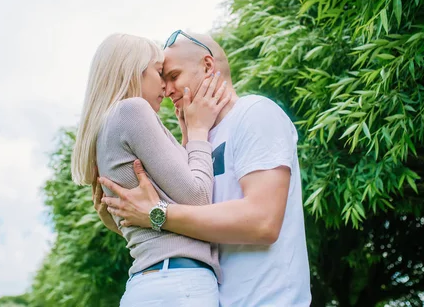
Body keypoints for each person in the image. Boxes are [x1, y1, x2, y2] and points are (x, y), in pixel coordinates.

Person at [97, 30, 312, 306]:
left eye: (173, 76)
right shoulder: (199, 142)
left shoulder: (255, 113)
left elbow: (263, 222)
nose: (167, 89)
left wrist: (156, 213)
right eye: (162, 79)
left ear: (208, 66)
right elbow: (192, 224)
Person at [71, 33, 232, 306]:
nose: (167, 87)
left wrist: (185, 139)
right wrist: (198, 131)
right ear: (133, 73)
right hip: (180, 284)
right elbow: (198, 199)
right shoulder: (132, 111)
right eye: (160, 73)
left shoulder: (109, 126)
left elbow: (164, 202)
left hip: (154, 282)